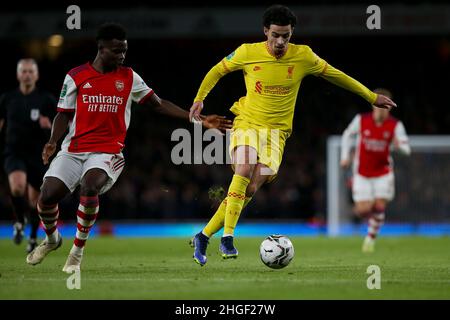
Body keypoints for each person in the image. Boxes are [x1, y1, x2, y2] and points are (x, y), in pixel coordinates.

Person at [189, 5, 397, 266]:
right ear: (266, 31)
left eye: (286, 36)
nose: (280, 42)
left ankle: (203, 235)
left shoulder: (303, 56)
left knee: (250, 187)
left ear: (291, 33)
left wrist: (371, 96)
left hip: (277, 135)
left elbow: (337, 76)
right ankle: (228, 237)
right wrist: (199, 99)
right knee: (244, 166)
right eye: (275, 35)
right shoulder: (246, 52)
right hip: (247, 123)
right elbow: (217, 70)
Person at [26, 23, 232, 272]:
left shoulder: (129, 77)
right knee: (47, 197)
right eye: (116, 51)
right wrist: (52, 141)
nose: (122, 55)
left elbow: (158, 103)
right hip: (73, 149)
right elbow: (63, 114)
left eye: (124, 50)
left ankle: (76, 252)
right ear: (101, 49)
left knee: (89, 186)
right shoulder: (76, 76)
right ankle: (52, 240)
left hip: (108, 152)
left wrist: (197, 120)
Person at [340, 88, 410, 253]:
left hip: (383, 173)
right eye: (378, 105)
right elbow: (347, 135)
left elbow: (407, 149)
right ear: (373, 105)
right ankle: (371, 217)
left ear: (390, 107)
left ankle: (370, 239)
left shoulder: (395, 125)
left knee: (379, 204)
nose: (381, 109)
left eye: (385, 106)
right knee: (363, 209)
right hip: (362, 173)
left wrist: (399, 146)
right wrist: (345, 156)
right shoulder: (361, 120)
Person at [0, 59, 56, 253]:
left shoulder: (46, 100)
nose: (27, 75)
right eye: (23, 71)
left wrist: (50, 128)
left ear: (37, 75)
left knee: (35, 202)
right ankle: (19, 221)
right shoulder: (7, 98)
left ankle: (32, 237)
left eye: (31, 71)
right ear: (18, 75)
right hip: (14, 152)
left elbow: (61, 125)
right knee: (17, 187)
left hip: (38, 155)